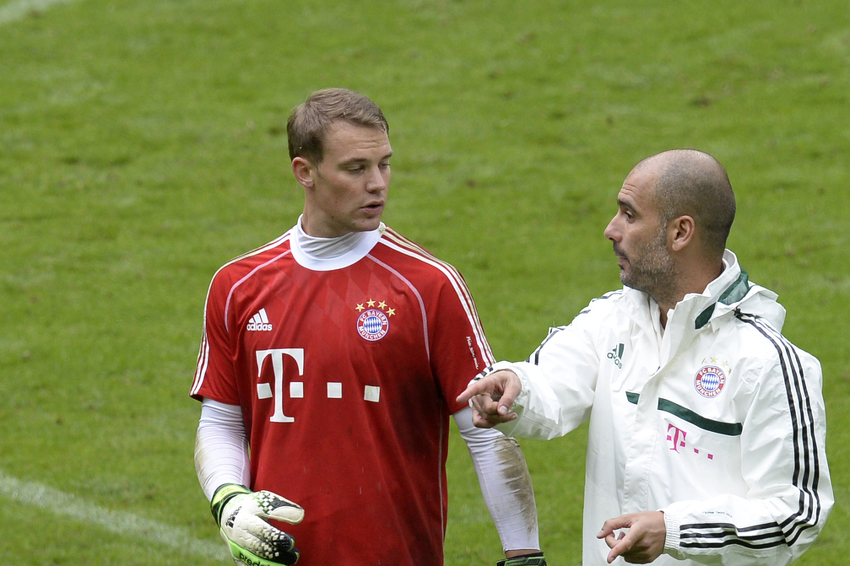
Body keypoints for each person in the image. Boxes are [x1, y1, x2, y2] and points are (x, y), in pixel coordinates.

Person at [190, 88, 545, 566]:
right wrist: (228, 499)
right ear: (305, 172)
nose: (378, 183)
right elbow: (221, 421)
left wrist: (523, 556)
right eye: (356, 169)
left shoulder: (428, 287)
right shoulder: (238, 287)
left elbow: (486, 434)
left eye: (385, 164)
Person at [458, 149, 832, 566]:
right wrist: (514, 386)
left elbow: (796, 513)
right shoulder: (613, 318)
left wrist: (674, 530)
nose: (610, 230)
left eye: (629, 215)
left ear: (680, 233)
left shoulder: (769, 363)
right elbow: (552, 384)